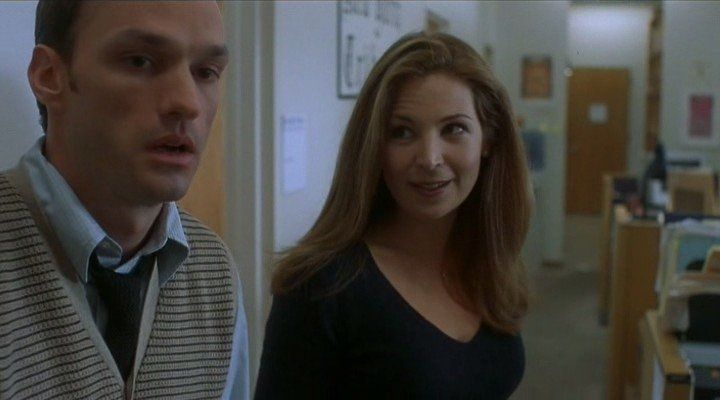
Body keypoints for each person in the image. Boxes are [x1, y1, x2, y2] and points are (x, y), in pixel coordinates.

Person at [255, 32, 531, 399]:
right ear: (375, 148)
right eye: (402, 132)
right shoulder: (322, 287)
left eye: (453, 129)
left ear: (488, 139)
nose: (430, 158)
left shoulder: (487, 262)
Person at [0, 1, 248, 399]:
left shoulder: (213, 272)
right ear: (49, 76)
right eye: (140, 61)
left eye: (205, 72)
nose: (188, 103)